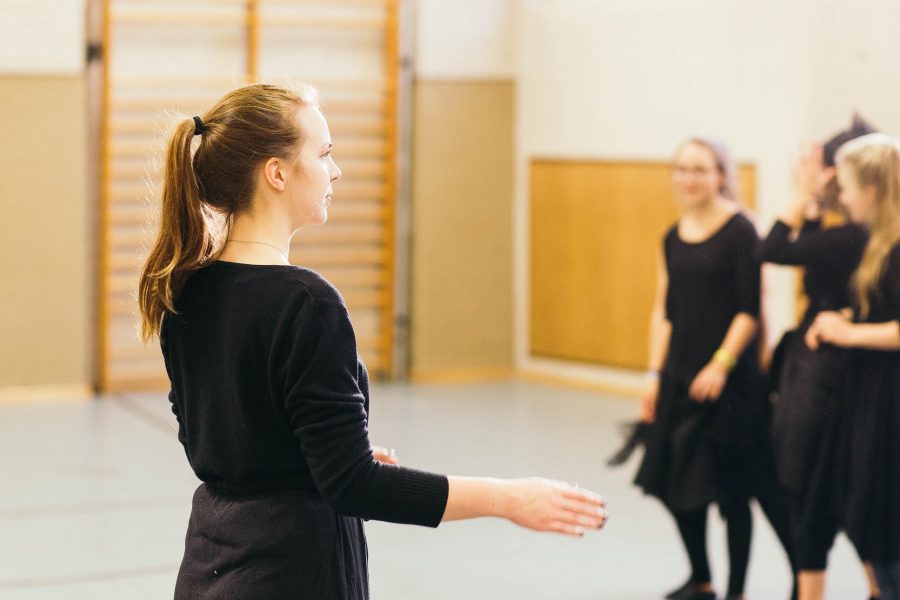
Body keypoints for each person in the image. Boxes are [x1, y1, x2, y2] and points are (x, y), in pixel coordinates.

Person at [137, 83, 608, 599]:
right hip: (291, 572)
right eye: (324, 154)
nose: (334, 171)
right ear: (277, 173)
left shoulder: (186, 288)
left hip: (211, 565)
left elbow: (217, 439)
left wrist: (321, 453)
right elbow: (353, 486)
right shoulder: (305, 304)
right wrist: (508, 498)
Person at [635, 138, 774, 600]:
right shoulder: (671, 236)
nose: (688, 179)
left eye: (699, 169)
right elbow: (663, 311)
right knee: (674, 485)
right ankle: (702, 579)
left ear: (720, 174)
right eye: (681, 169)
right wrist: (654, 374)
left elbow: (748, 310)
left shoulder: (740, 230)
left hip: (730, 385)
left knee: (733, 495)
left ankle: (736, 591)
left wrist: (722, 364)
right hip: (679, 377)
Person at [760, 118, 878, 600]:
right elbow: (805, 258)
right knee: (838, 494)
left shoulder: (855, 238)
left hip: (830, 374)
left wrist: (802, 191)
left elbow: (772, 249)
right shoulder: (854, 236)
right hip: (830, 367)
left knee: (813, 487)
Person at [806, 133, 900, 599]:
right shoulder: (878, 243)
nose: (840, 198)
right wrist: (844, 318)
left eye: (845, 187)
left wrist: (852, 334)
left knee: (886, 532)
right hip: (871, 395)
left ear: (873, 189)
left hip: (890, 404)